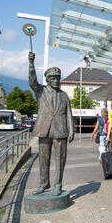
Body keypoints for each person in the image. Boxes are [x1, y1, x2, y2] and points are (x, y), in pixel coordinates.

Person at [28, 52, 74, 196]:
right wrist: (31, 63)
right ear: (47, 79)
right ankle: (44, 183)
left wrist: (72, 130)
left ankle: (58, 184)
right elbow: (32, 81)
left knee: (60, 159)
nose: (56, 80)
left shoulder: (64, 96)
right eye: (53, 78)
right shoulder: (40, 91)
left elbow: (69, 114)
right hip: (44, 129)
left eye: (58, 78)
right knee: (43, 159)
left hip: (60, 131)